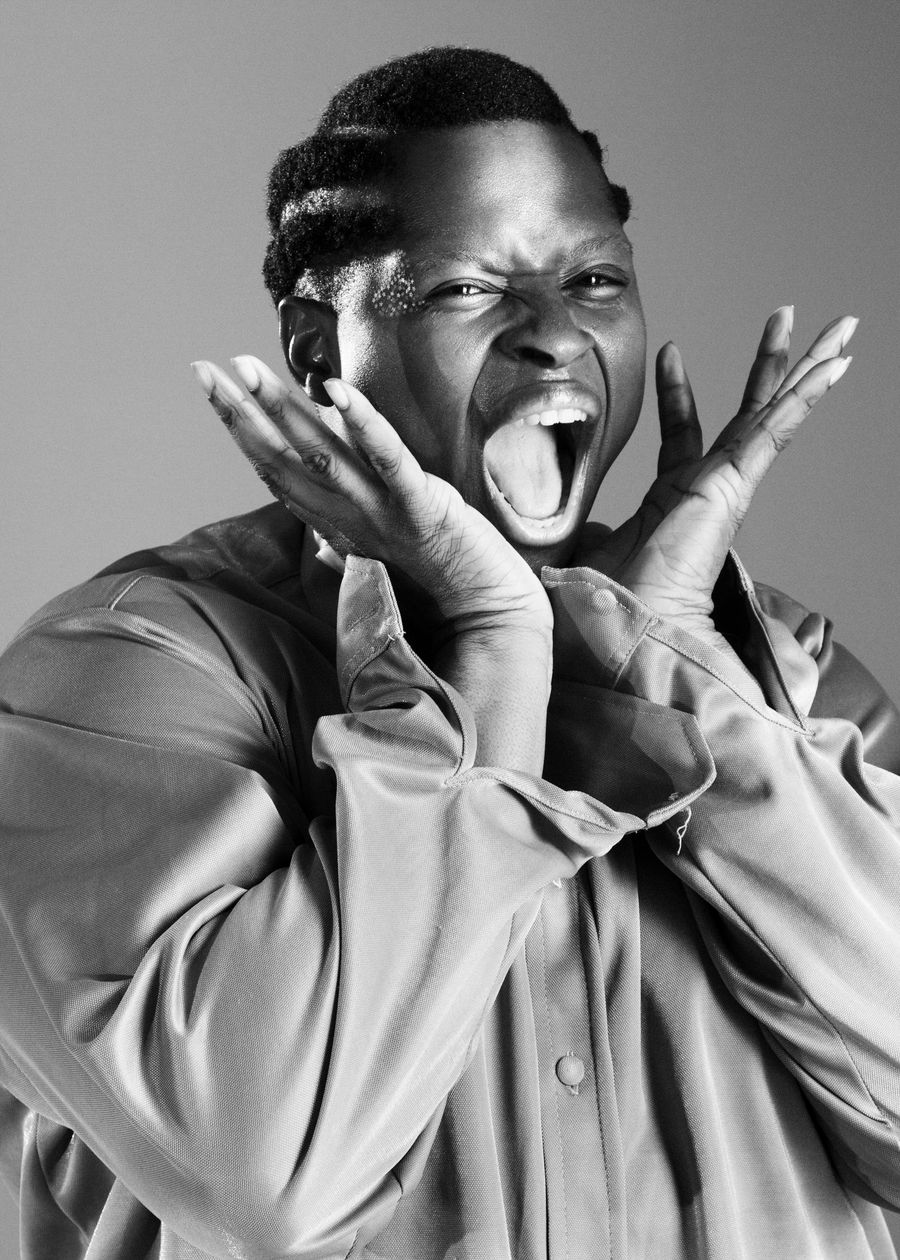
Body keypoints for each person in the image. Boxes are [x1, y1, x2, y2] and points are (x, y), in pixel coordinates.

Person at [1, 45, 898, 1260]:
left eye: (593, 280)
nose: (553, 336)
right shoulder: (126, 671)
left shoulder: (789, 673)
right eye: (466, 289)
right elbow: (267, 1181)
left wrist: (669, 659)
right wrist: (488, 649)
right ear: (318, 348)